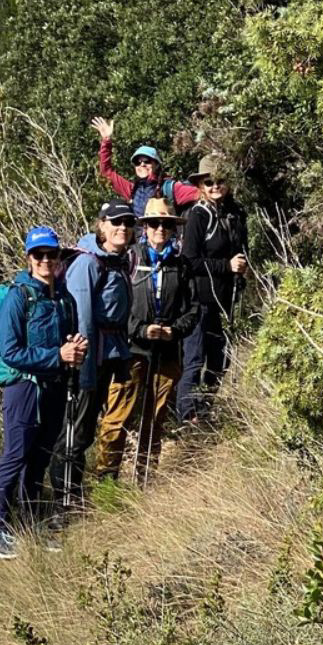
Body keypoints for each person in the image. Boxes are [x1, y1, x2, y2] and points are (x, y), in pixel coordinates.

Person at [0, 225, 86, 559]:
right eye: (38, 255)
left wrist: (74, 350)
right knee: (15, 456)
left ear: (59, 257)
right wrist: (57, 355)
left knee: (40, 457)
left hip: (54, 387)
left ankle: (29, 523)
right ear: (28, 258)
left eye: (51, 254)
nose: (45, 260)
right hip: (23, 388)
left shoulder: (64, 299)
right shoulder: (19, 297)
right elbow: (11, 351)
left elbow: (69, 339)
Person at [93, 197, 200, 484]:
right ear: (145, 227)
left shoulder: (182, 264)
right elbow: (114, 307)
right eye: (154, 223)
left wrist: (174, 331)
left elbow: (193, 309)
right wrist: (141, 329)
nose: (160, 229)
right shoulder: (129, 259)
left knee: (156, 417)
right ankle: (107, 478)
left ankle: (145, 475)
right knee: (118, 415)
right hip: (130, 351)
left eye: (166, 224)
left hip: (167, 353)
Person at [50, 200, 137, 513]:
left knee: (85, 430)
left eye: (128, 223)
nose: (122, 228)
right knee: (75, 430)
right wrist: (83, 371)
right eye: (115, 222)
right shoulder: (89, 263)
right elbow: (82, 319)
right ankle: (64, 503)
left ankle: (74, 496)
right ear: (101, 225)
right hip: (88, 361)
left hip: (107, 357)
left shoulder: (120, 260)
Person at [177, 155, 249, 424]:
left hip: (226, 301)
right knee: (195, 359)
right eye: (209, 182)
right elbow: (190, 261)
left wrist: (240, 270)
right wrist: (225, 266)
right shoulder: (198, 215)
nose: (215, 186)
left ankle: (205, 410)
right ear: (201, 185)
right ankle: (187, 417)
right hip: (200, 300)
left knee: (220, 361)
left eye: (220, 180)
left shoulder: (235, 214)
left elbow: (241, 250)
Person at [90, 115, 199, 217]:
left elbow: (200, 193)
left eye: (147, 161)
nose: (142, 164)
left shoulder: (170, 188)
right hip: (138, 237)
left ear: (157, 165)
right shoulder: (132, 190)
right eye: (137, 162)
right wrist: (106, 141)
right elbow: (106, 172)